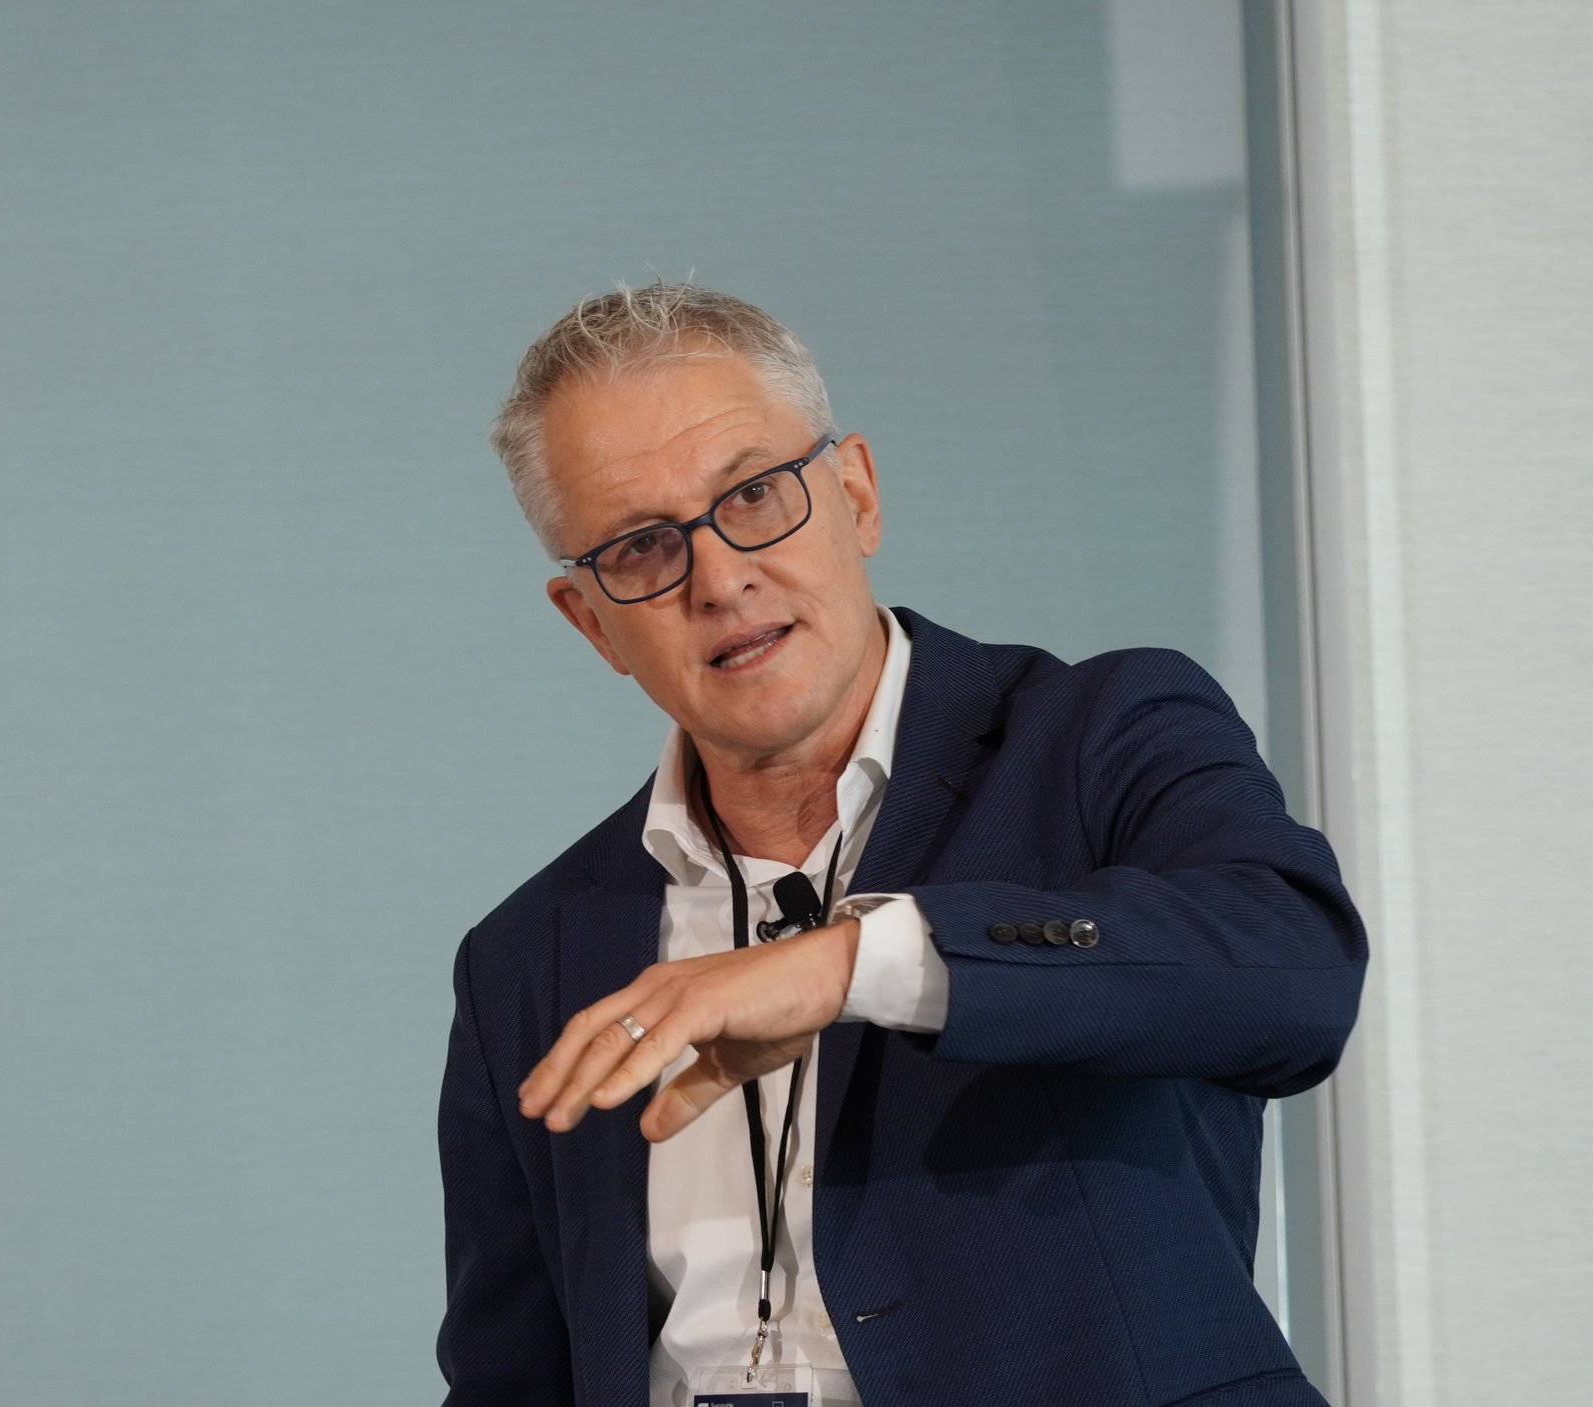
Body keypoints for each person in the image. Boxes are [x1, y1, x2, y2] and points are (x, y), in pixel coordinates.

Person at [438, 282, 1366, 1407]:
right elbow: (512, 1375)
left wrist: (849, 962)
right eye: (641, 550)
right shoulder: (528, 955)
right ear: (592, 623)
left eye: (756, 494)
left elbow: (1293, 972)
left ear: (856, 495)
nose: (721, 578)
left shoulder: (1101, 736)